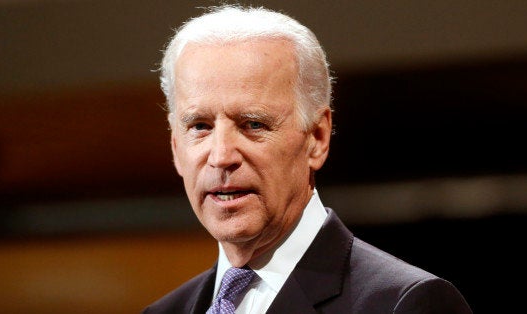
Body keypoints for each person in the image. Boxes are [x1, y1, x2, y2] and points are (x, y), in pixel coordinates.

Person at [143, 4, 472, 314]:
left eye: (253, 124)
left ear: (317, 138)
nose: (221, 157)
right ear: (175, 146)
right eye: (200, 126)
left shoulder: (405, 304)